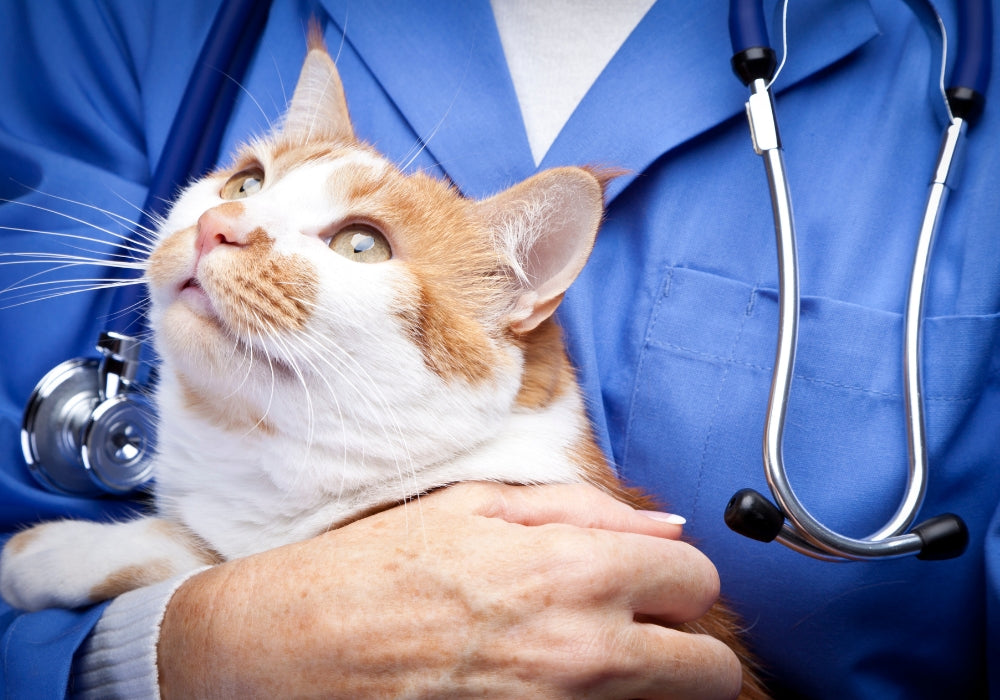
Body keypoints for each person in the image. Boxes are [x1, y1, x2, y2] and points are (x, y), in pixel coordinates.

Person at [1, 0, 997, 697]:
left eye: (357, 240)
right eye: (247, 182)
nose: (228, 226)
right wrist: (175, 653)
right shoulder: (119, 21)